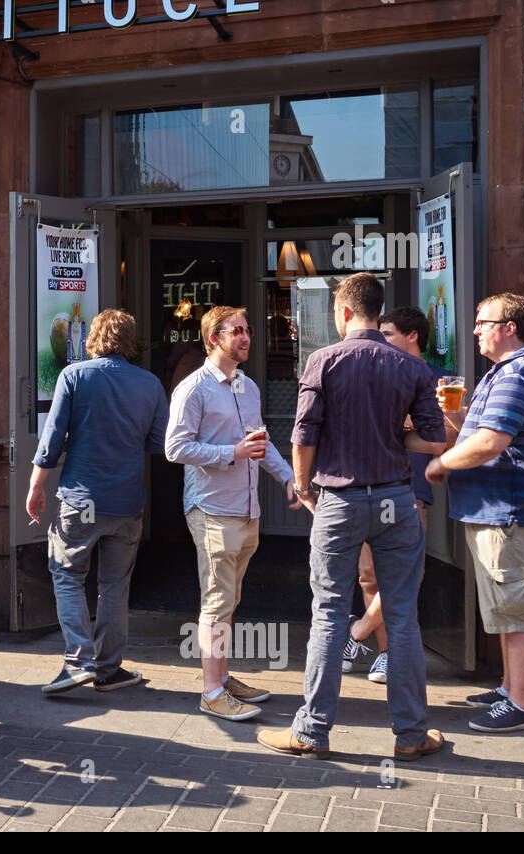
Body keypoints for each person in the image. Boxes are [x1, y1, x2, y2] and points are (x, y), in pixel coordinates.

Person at [259, 272, 447, 761]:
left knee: (327, 615)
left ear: (342, 313)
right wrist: (392, 433)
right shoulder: (410, 367)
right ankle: (410, 735)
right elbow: (433, 440)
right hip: (395, 499)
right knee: (402, 619)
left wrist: (303, 489)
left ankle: (311, 732)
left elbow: (303, 436)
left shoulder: (323, 361)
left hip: (339, 499)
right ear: (377, 314)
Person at [425, 293, 524, 733]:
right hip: (504, 512)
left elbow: (490, 442)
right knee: (508, 607)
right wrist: (454, 411)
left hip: (513, 513)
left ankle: (521, 705)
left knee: (519, 612)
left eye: (483, 322)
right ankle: (509, 689)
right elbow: (483, 428)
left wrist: (440, 463)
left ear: (510, 327)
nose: (475, 329)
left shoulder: (516, 373)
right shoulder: (508, 371)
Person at [165, 305, 299, 721]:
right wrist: (232, 453)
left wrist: (289, 478)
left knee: (229, 599)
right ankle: (210, 691)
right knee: (217, 602)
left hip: (246, 507)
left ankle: (221, 677)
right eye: (236, 331)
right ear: (213, 339)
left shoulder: (248, 387)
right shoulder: (194, 388)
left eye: (247, 329)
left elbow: (261, 443)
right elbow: (175, 448)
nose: (245, 337)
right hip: (212, 509)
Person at [26, 309, 169, 695]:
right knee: (114, 586)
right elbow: (159, 444)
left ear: (93, 339)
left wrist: (36, 486)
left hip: (81, 498)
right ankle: (107, 670)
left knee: (68, 575)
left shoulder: (74, 376)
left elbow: (52, 438)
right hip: (126, 500)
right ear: (129, 341)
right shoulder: (150, 383)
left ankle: (78, 661)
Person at [342, 306, 452, 684]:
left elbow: (448, 437)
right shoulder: (376, 374)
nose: (381, 340)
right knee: (370, 578)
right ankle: (386, 654)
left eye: (387, 333)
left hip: (410, 491)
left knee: (405, 577)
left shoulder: (439, 380)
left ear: (413, 336)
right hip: (367, 487)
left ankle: (358, 633)